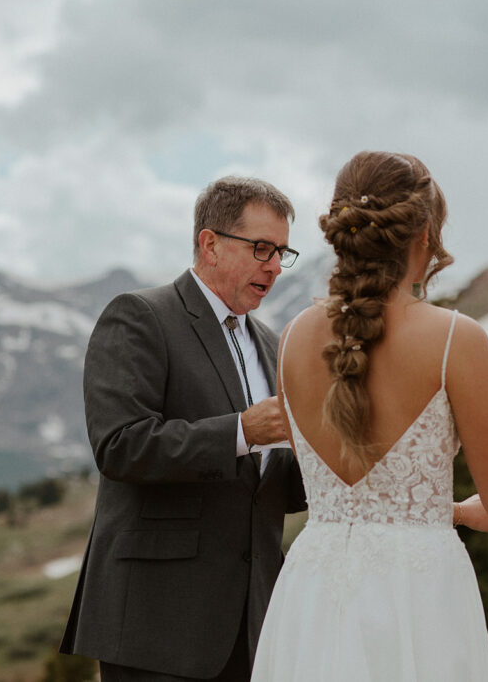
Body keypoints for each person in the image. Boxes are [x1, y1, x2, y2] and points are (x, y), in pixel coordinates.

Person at [250, 151, 488, 681]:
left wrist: (451, 510)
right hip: (417, 595)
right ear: (425, 232)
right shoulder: (454, 339)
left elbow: (361, 498)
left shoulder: (292, 339)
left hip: (312, 587)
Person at [60, 176, 307, 681]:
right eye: (262, 248)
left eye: (283, 252)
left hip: (255, 622)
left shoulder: (273, 343)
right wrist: (242, 429)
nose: (275, 265)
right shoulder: (140, 316)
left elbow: (259, 487)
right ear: (209, 243)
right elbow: (121, 446)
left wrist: (321, 463)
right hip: (158, 623)